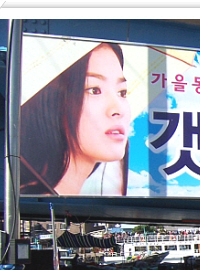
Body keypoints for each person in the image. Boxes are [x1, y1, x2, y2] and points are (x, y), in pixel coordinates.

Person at [20, 42, 131, 196]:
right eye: (94, 90)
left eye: (122, 92)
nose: (117, 110)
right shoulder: (28, 201)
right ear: (53, 100)